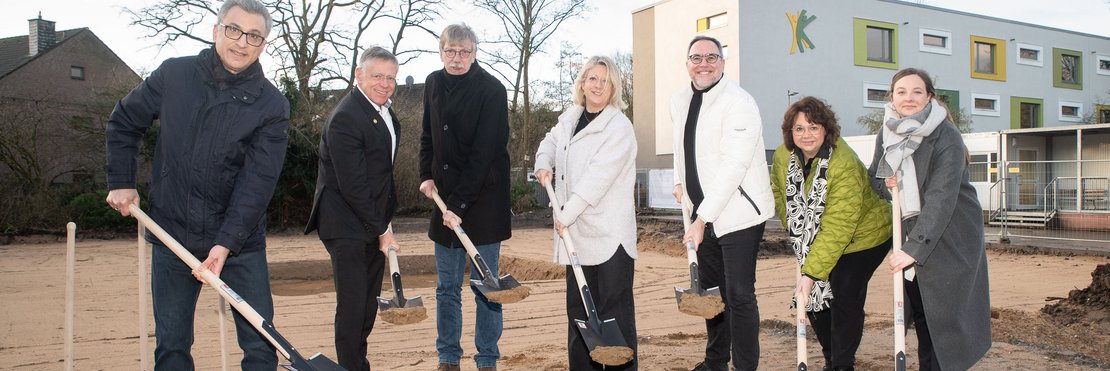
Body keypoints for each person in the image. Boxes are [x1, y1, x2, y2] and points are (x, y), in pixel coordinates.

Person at [103, 0, 287, 369]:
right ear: (216, 30)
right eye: (234, 30)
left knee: (260, 342)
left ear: (263, 44)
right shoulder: (175, 75)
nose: (242, 42)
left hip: (240, 241)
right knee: (171, 344)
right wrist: (122, 181)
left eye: (254, 36)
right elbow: (124, 121)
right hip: (173, 230)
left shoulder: (272, 104)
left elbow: (258, 183)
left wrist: (225, 244)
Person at [869, 68, 991, 371]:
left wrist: (914, 248)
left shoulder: (944, 133)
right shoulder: (887, 132)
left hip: (951, 236)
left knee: (947, 323)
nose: (908, 98)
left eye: (916, 92)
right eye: (901, 91)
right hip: (913, 233)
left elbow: (941, 196)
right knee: (924, 316)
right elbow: (875, 178)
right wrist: (887, 183)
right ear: (892, 96)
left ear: (929, 97)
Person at [670, 35, 774, 371]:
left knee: (739, 294)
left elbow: (734, 167)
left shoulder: (739, 102)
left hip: (739, 213)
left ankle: (744, 367)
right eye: (697, 57)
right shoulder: (680, 100)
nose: (704, 64)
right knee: (713, 297)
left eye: (711, 57)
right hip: (702, 212)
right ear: (687, 63)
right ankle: (716, 362)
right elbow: (681, 149)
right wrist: (679, 182)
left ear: (723, 62)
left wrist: (701, 220)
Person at [770, 97, 893, 371]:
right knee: (814, 300)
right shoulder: (781, 157)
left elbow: (839, 225)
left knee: (844, 293)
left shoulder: (843, 162)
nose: (806, 135)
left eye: (813, 127)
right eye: (799, 128)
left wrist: (812, 273)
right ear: (790, 132)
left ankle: (842, 365)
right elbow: (779, 193)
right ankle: (831, 359)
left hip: (864, 236)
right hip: (816, 236)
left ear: (826, 129)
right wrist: (798, 228)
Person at [534, 55, 638, 370]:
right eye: (591, 78)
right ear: (582, 83)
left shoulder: (619, 127)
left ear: (613, 87)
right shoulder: (571, 116)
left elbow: (596, 180)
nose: (597, 85)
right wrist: (542, 161)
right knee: (579, 321)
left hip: (609, 239)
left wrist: (565, 215)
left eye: (604, 80)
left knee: (614, 319)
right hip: (576, 237)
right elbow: (550, 141)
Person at [418, 23, 511, 371]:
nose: (457, 58)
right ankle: (448, 358)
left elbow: (484, 154)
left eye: (464, 52)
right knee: (446, 288)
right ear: (441, 51)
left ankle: (487, 360)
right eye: (450, 51)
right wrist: (425, 175)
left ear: (475, 52)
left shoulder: (491, 90)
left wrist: (458, 206)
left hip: (483, 202)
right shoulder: (432, 83)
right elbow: (427, 134)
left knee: (487, 287)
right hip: (444, 202)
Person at [303, 46, 400, 371]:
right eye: (377, 76)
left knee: (367, 304)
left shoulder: (386, 114)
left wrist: (384, 221)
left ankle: (358, 363)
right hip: (344, 223)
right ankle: (352, 366)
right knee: (353, 305)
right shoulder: (346, 117)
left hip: (370, 221)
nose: (385, 83)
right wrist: (382, 228)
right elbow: (353, 186)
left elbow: (381, 174)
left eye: (390, 78)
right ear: (358, 74)